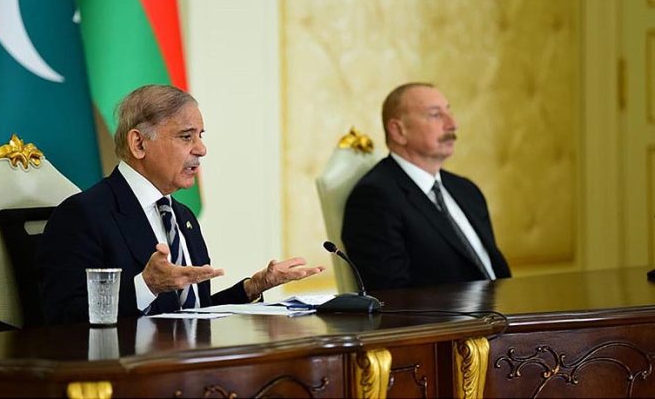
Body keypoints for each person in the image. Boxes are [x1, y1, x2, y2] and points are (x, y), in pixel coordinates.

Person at [37, 84, 324, 325]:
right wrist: (146, 286)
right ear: (139, 144)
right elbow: (65, 318)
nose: (201, 149)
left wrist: (253, 287)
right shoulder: (83, 215)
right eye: (186, 136)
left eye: (200, 136)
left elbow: (191, 315)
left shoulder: (181, 216)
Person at [341, 82, 510, 291]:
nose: (452, 124)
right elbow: (392, 296)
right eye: (435, 115)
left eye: (449, 111)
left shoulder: (466, 190)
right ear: (398, 131)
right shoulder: (374, 198)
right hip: (452, 323)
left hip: (503, 315)